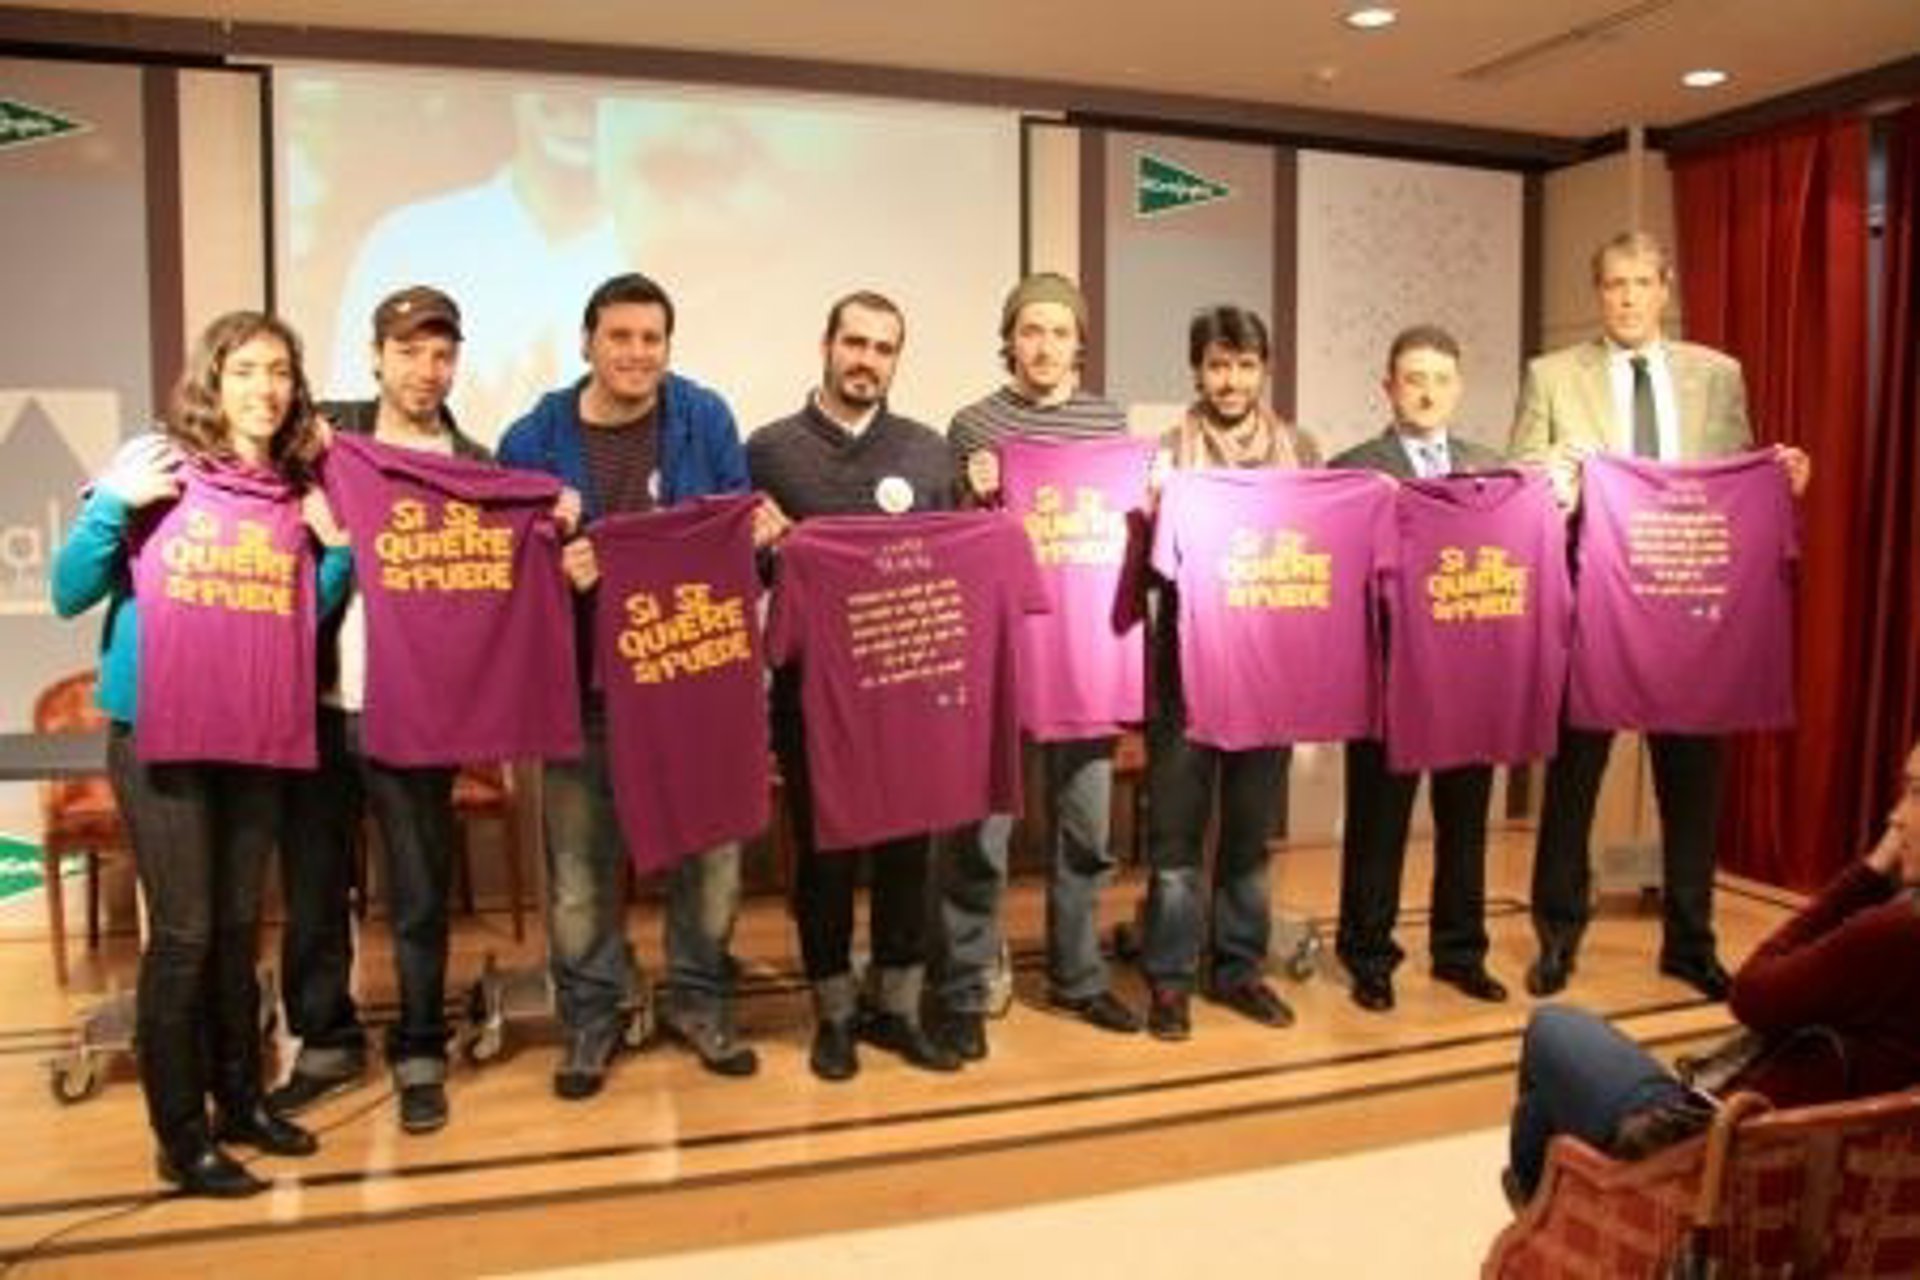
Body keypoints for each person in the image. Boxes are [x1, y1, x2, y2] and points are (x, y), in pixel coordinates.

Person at [52, 311, 349, 1197]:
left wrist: (336, 551)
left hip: (251, 730)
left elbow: (298, 617)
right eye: (247, 369)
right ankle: (180, 1138)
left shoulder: (295, 489)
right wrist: (112, 504)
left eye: (280, 371)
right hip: (161, 732)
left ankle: (241, 1103)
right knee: (183, 935)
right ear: (213, 380)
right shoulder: (159, 467)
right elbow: (68, 591)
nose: (266, 388)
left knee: (235, 929)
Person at [1509, 230, 1812, 1001]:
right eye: (1615, 284)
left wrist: (1782, 478)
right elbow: (1519, 480)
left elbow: (1737, 486)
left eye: (1642, 283)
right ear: (1598, 292)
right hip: (1591, 609)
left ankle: (1690, 943)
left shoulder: (1718, 374)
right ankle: (1557, 937)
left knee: (1694, 788)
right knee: (1572, 783)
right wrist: (1554, 481)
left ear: (1664, 290)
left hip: (1688, 613)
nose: (1628, 298)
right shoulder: (1551, 375)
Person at [498, 272, 780, 1098]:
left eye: (651, 338)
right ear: (587, 342)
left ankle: (699, 1001)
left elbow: (739, 548)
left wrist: (762, 538)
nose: (636, 353)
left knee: (711, 860)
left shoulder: (705, 417)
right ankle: (594, 1014)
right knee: (580, 876)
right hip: (583, 695)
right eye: (619, 336)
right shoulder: (531, 438)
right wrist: (558, 570)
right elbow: (508, 578)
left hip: (694, 682)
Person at [1506, 738, 1920, 1204]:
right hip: (1822, 1174)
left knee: (1551, 1028)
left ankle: (1544, 1215)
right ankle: (1546, 1209)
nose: (1895, 817)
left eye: (1916, 793)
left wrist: (1869, 871)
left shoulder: (1894, 934)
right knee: (1547, 1101)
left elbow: (1752, 992)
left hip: (1718, 1155)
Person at [269, 286, 491, 1135]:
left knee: (421, 891)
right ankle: (325, 1043)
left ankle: (421, 1046)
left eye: (441, 354)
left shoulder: (474, 465)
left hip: (418, 715)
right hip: (318, 706)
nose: (426, 370)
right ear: (374, 356)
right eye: (408, 352)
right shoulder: (321, 441)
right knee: (315, 889)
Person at [748, 290, 961, 1080]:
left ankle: (897, 1008)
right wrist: (763, 546)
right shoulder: (767, 452)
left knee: (910, 855)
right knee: (826, 858)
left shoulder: (928, 452)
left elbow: (953, 567)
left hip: (910, 692)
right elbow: (746, 574)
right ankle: (834, 1014)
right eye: (855, 343)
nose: (867, 359)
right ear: (826, 345)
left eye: (883, 347)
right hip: (810, 698)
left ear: (896, 358)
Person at [935, 272, 1140, 1059]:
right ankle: (965, 983)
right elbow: (954, 537)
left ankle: (1078, 978)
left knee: (1086, 834)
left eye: (1059, 331)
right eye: (1031, 330)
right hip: (999, 658)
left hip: (1086, 656)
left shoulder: (1107, 421)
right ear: (1010, 340)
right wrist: (968, 488)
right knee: (978, 837)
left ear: (1079, 343)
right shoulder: (973, 423)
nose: (1045, 345)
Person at [1139, 305, 1320, 1040]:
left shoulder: (1301, 449)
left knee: (1248, 835)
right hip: (1186, 669)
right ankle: (1169, 978)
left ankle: (1239, 969)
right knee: (1176, 840)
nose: (1231, 381)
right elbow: (1147, 565)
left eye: (1245, 365)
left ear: (1264, 369)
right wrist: (1152, 508)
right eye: (1217, 365)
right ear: (1197, 370)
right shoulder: (1167, 451)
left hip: (1271, 672)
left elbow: (1322, 547)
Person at [1332, 325, 1509, 1014]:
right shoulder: (1353, 469)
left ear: (1458, 388)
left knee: (1465, 824)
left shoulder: (1491, 470)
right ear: (1389, 388)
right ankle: (1368, 957)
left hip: (1471, 678)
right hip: (1386, 677)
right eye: (1414, 379)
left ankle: (1461, 953)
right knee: (1378, 825)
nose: (1428, 393)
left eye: (1440, 379)